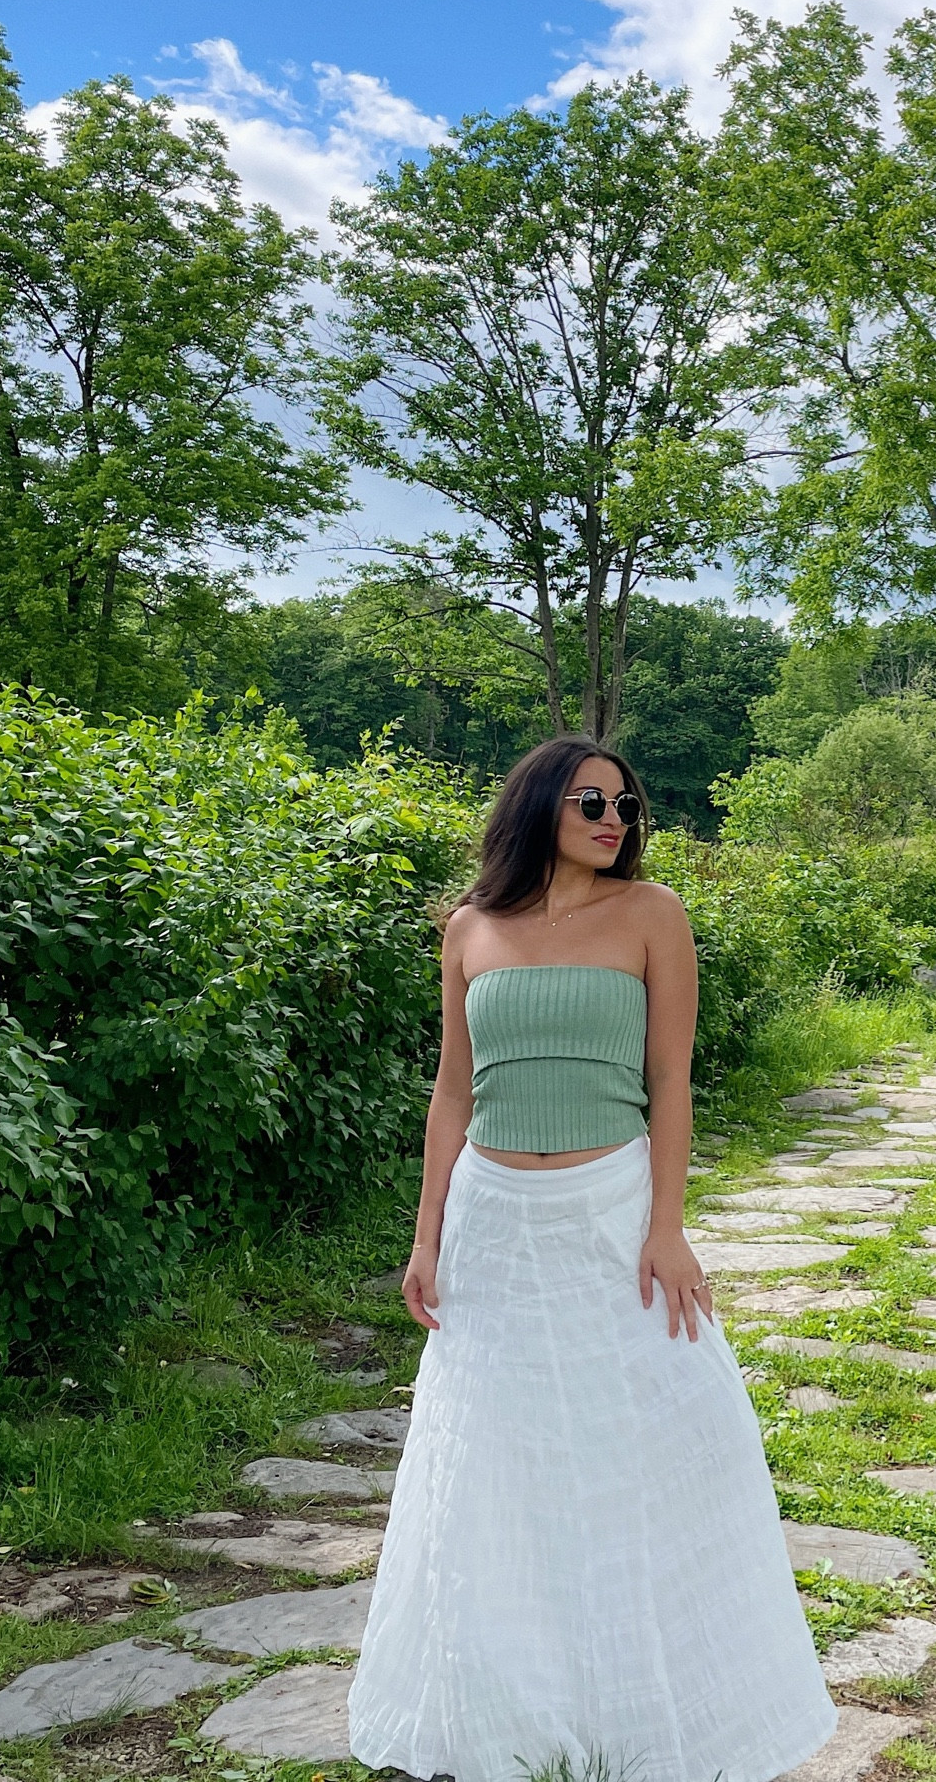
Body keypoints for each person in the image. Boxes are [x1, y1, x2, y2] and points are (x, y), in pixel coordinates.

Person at [346, 735, 837, 1782]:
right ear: (538, 807)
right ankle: (510, 1702)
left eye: (625, 803)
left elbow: (672, 1081)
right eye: (590, 801)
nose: (615, 818)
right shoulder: (471, 927)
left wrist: (667, 1221)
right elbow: (451, 1089)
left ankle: (666, 1693)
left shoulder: (653, 914)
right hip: (493, 1217)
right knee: (492, 1450)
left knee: (669, 1422)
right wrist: (427, 1234)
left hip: (611, 1204)